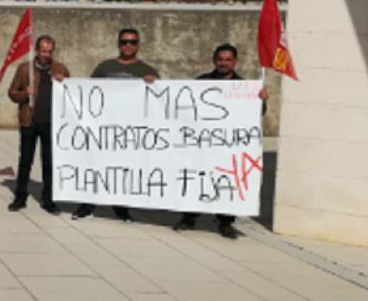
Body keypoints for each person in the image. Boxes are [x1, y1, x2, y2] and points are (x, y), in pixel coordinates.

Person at [172, 43, 269, 240]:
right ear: (214, 60)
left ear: (235, 62)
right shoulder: (201, 82)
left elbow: (258, 114)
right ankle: (189, 218)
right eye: (220, 59)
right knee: (197, 180)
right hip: (203, 143)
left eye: (228, 59)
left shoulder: (244, 87)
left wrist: (261, 100)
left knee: (227, 182)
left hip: (227, 148)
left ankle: (225, 222)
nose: (223, 63)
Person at [72, 27, 160, 222]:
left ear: (138, 45)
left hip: (130, 132)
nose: (128, 45)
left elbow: (158, 101)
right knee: (96, 167)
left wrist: (155, 84)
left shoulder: (147, 71)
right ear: (118, 44)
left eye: (132, 42)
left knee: (122, 169)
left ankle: (121, 208)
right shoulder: (104, 68)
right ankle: (86, 206)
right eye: (124, 42)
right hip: (103, 129)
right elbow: (88, 93)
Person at [8, 35, 69, 215]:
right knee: (25, 160)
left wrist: (63, 83)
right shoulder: (25, 69)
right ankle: (20, 197)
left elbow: (70, 94)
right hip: (29, 121)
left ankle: (48, 199)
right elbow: (12, 93)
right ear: (36, 50)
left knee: (49, 162)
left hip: (51, 122)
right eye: (43, 51)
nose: (46, 55)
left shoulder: (60, 69)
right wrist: (25, 93)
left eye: (49, 51)